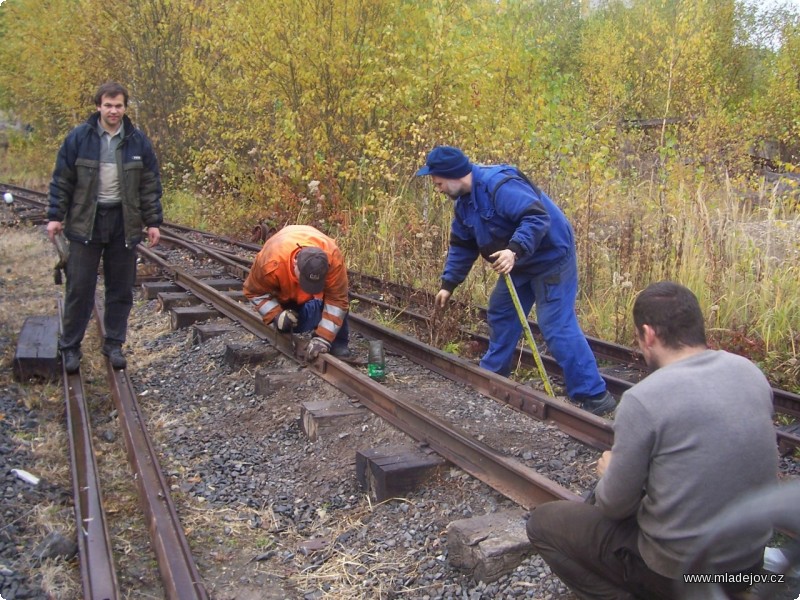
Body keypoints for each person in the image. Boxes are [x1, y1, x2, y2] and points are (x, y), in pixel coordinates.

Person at [526, 281, 780, 600]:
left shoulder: (643, 399)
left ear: (648, 335)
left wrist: (611, 471)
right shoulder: (750, 373)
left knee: (543, 523)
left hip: (678, 577)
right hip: (746, 567)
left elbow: (615, 506)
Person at [415, 145, 614, 415]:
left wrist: (514, 250)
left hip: (550, 257)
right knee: (501, 312)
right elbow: (462, 245)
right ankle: (495, 375)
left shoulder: (499, 186)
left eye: (437, 182)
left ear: (452, 175)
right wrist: (448, 284)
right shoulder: (464, 204)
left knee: (555, 325)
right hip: (518, 264)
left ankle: (594, 395)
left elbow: (536, 216)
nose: (436, 188)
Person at [47, 81, 163, 373]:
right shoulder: (79, 138)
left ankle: (114, 344)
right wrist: (55, 216)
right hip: (86, 222)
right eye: (108, 105)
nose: (114, 111)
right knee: (79, 288)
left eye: (119, 106)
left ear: (125, 108)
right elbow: (62, 180)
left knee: (121, 289)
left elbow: (149, 186)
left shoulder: (137, 141)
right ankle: (70, 347)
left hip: (123, 223)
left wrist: (153, 222)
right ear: (98, 106)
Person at [243, 224, 351, 360]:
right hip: (285, 291)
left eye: (315, 284)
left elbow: (337, 300)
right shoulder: (270, 262)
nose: (309, 289)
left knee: (341, 294)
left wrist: (324, 338)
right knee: (288, 324)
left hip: (309, 250)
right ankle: (289, 318)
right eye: (305, 281)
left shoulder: (333, 259)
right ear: (295, 263)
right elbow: (254, 292)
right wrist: (276, 315)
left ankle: (338, 341)